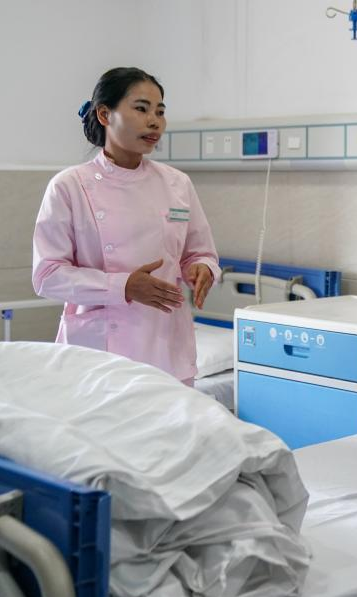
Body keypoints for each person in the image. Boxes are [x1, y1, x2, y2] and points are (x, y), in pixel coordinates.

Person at [33, 67, 220, 385]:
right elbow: (47, 276)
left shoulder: (177, 184)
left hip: (167, 346)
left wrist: (203, 269)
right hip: (99, 354)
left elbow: (200, 253)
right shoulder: (69, 186)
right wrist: (124, 287)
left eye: (160, 112)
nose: (154, 122)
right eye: (141, 109)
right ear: (105, 114)